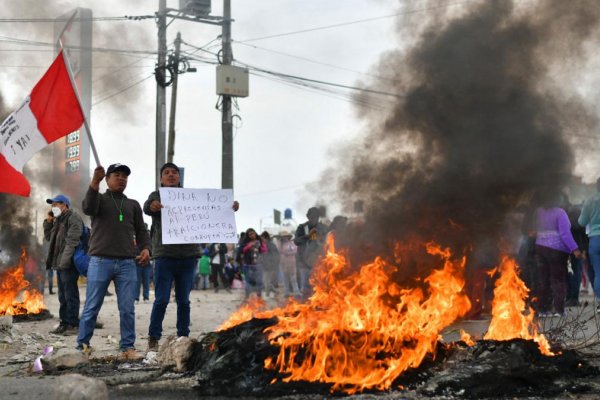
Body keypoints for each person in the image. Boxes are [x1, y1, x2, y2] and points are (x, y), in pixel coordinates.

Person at [144, 162, 239, 352]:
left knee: (184, 301)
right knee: (161, 299)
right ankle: (153, 338)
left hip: (188, 257)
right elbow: (147, 208)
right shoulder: (157, 196)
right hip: (164, 256)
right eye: (167, 173)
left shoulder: (191, 197)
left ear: (179, 177)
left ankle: (183, 337)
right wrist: (152, 206)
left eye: (174, 173)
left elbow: (215, 211)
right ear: (161, 179)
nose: (171, 175)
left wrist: (229, 207)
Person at [77, 164, 151, 358]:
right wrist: (95, 181)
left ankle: (127, 346)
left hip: (127, 263)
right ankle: (82, 345)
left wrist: (145, 248)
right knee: (92, 306)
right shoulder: (99, 200)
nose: (121, 179)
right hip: (100, 261)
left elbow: (142, 231)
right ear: (107, 179)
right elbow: (87, 207)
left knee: (127, 308)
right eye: (116, 175)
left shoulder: (133, 204)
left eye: (124, 176)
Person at [535, 191, 583, 317]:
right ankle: (559, 310)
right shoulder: (560, 213)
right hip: (556, 251)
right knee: (557, 280)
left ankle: (542, 309)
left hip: (540, 248)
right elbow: (565, 234)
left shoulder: (539, 212)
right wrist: (575, 249)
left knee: (543, 280)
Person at [43, 194, 83, 335]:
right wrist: (48, 222)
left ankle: (73, 325)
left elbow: (72, 242)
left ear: (64, 205)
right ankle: (64, 323)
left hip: (69, 263)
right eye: (52, 205)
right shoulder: (58, 220)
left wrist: (64, 262)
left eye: (56, 205)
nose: (53, 208)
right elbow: (49, 238)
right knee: (62, 295)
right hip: (59, 264)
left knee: (70, 294)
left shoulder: (73, 218)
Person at [294, 207, 329, 300]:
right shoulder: (302, 227)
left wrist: (320, 239)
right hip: (303, 262)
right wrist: (307, 236)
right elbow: (296, 241)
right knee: (305, 288)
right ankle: (305, 307)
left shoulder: (323, 228)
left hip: (319, 262)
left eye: (316, 217)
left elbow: (328, 242)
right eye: (312, 217)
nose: (314, 219)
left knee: (319, 287)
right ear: (308, 217)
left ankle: (316, 307)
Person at [579, 177, 600, 311]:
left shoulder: (590, 200)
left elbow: (581, 222)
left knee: (598, 272)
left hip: (595, 240)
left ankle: (599, 301)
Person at [241, 228, 267, 299]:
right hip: (248, 265)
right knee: (247, 282)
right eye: (250, 234)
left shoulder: (260, 241)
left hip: (258, 265)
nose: (252, 235)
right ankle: (247, 297)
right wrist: (249, 246)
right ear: (248, 236)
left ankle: (259, 296)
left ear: (255, 233)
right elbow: (242, 250)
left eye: (253, 233)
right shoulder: (245, 242)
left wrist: (260, 246)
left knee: (259, 282)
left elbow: (264, 250)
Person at [278, 230, 300, 298]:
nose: (284, 238)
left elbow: (295, 251)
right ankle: (287, 292)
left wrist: (287, 253)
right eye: (283, 237)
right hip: (284, 263)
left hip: (292, 262)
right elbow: (279, 251)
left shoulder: (292, 243)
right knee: (285, 278)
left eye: (286, 237)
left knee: (293, 278)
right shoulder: (280, 244)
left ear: (288, 237)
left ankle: (296, 292)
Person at [261, 231, 281, 297]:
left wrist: (273, 264)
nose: (262, 240)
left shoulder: (271, 245)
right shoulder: (264, 245)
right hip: (265, 266)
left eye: (262, 238)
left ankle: (267, 295)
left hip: (270, 266)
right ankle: (274, 291)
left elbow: (276, 255)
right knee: (266, 281)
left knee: (266, 281)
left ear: (266, 238)